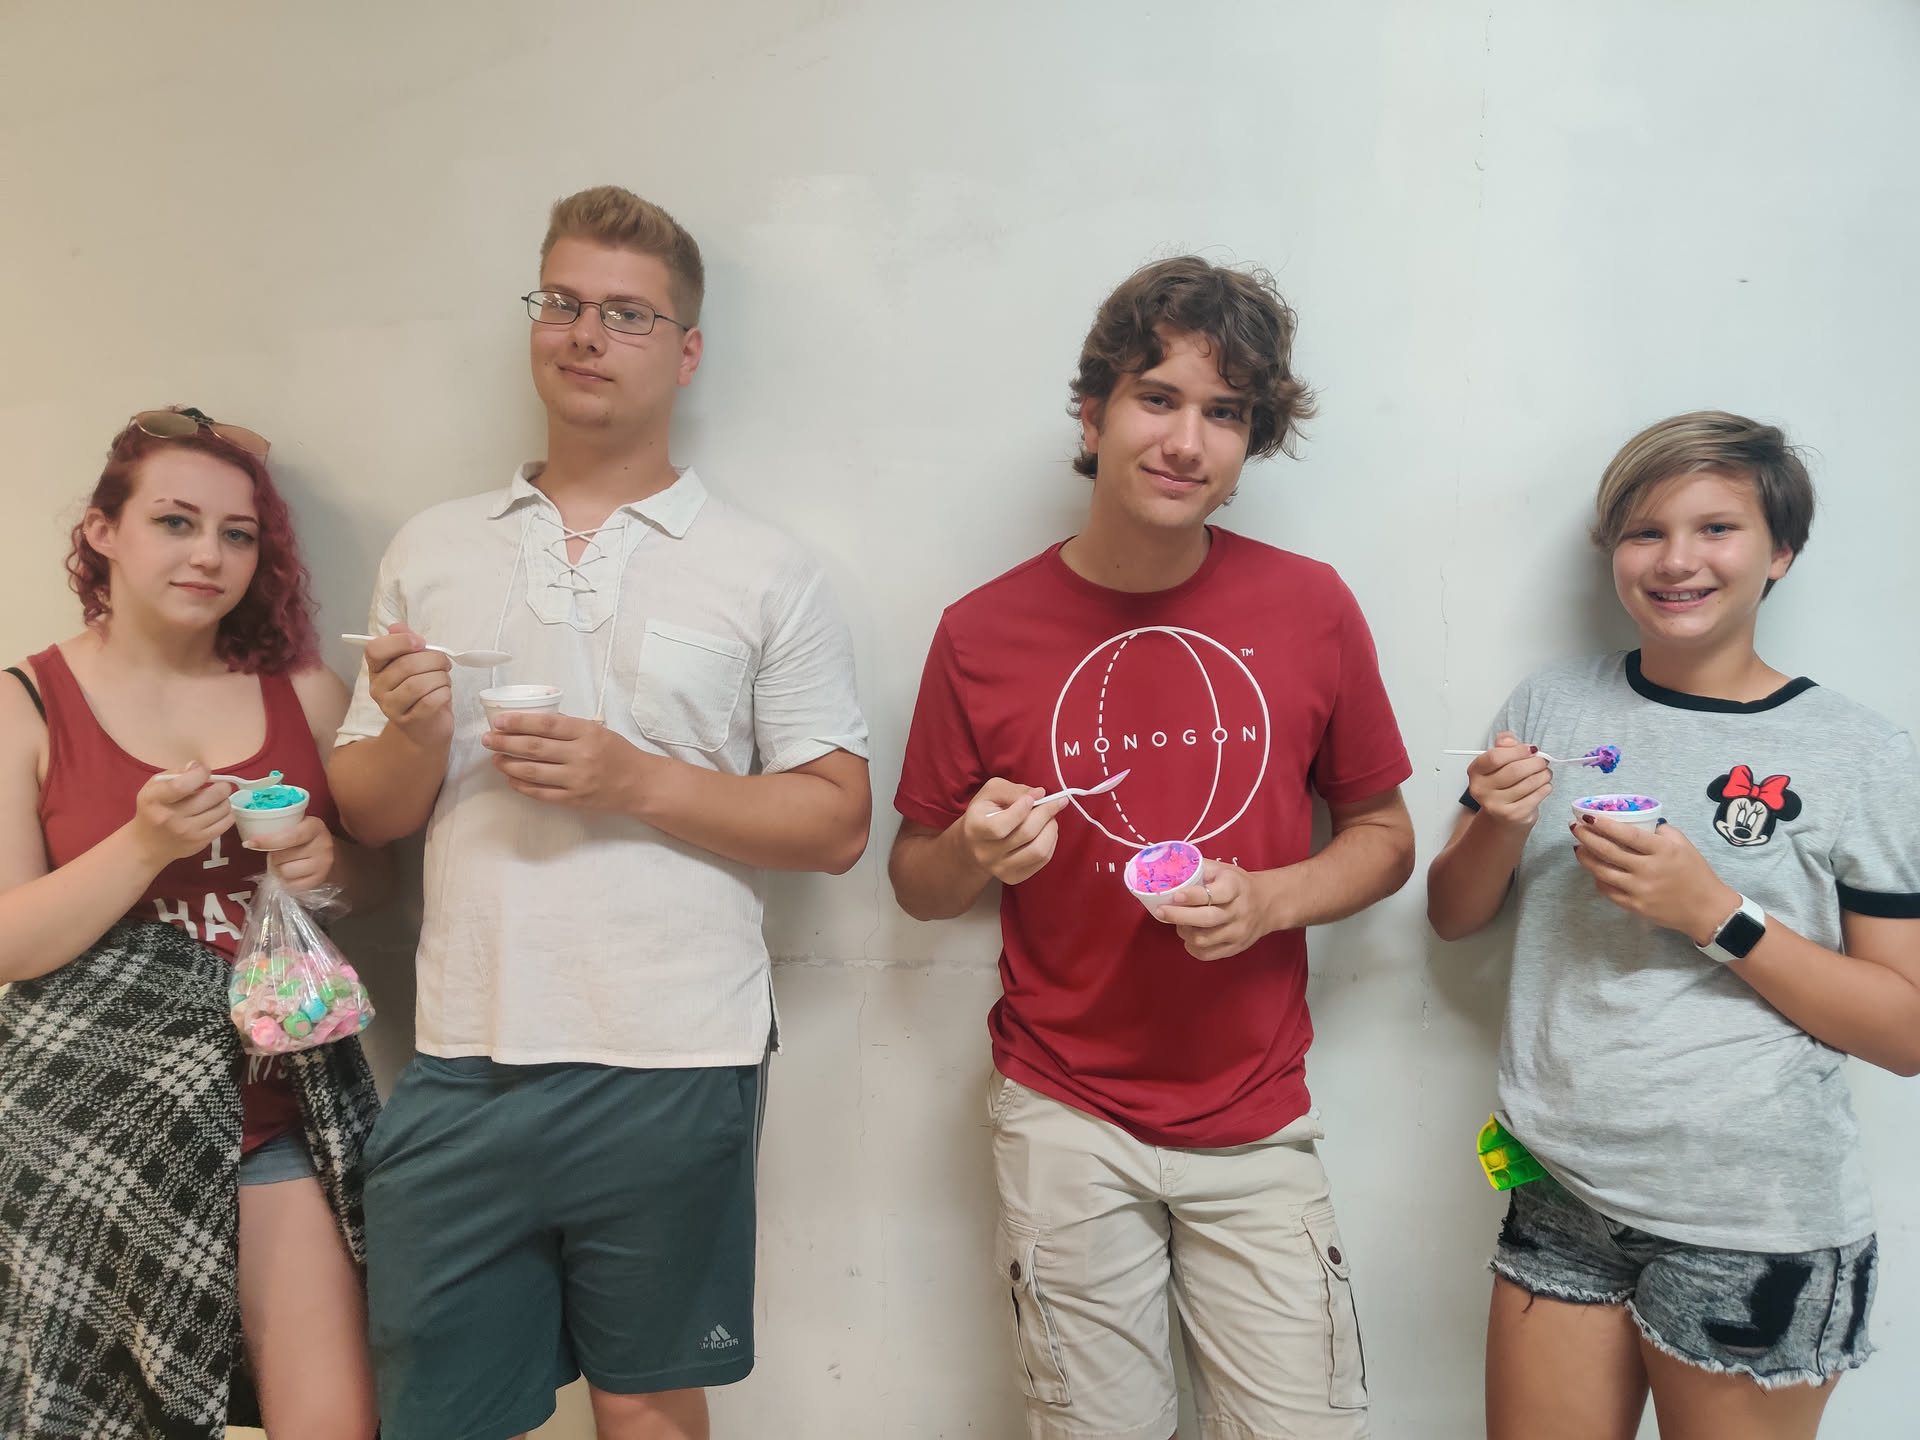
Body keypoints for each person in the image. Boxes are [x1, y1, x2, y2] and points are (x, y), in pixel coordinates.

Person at [328, 186, 871, 1440]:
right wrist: (414, 735)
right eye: (563, 302)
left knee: (646, 1402)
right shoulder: (433, 547)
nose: (585, 334)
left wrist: (636, 781)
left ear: (686, 351)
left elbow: (837, 822)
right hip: (464, 1051)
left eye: (627, 314)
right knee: (441, 1413)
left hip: (675, 1053)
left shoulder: (765, 567)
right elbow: (369, 809)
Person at [889, 256, 1415, 1440]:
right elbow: (917, 882)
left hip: (1259, 1114)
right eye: (1157, 397)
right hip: (1062, 1111)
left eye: (1224, 413)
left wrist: (1270, 900)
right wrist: (975, 851)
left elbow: (1385, 838)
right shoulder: (980, 632)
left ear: (1251, 442)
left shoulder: (1313, 607)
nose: (1186, 441)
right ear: (1093, 414)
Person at [1427, 412, 1920, 1440]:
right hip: (1560, 1191)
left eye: (1717, 529)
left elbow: (1904, 1032)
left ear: (1781, 551)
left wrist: (1715, 915)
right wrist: (1498, 825)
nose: (1676, 560)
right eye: (1645, 531)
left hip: (1755, 1221)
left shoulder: (1863, 754)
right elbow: (1453, 916)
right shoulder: (1552, 704)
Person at [0, 407, 386, 1440]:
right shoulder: (26, 701)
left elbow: (376, 883)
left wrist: (328, 869)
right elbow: (8, 941)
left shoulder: (302, 688)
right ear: (102, 531)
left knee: (337, 1419)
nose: (209, 555)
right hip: (90, 1125)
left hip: (275, 1112)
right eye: (175, 521)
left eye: (237, 533)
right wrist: (142, 845)